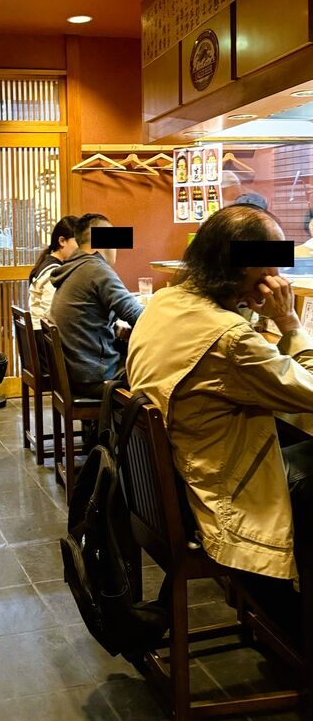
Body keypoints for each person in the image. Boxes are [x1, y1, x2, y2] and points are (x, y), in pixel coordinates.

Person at [127, 204, 313, 584]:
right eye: (272, 260)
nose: (278, 273)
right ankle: (292, 602)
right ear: (244, 266)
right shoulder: (230, 339)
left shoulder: (166, 301)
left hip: (171, 483)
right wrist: (289, 323)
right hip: (219, 497)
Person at [49, 213, 143, 398]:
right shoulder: (97, 270)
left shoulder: (75, 266)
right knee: (160, 373)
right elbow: (138, 315)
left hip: (75, 371)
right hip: (95, 375)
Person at [27, 215, 79, 329]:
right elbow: (51, 312)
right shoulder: (53, 271)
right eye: (78, 241)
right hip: (45, 335)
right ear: (62, 241)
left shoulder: (48, 261)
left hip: (41, 332)